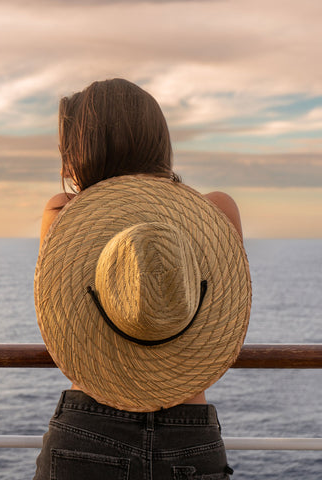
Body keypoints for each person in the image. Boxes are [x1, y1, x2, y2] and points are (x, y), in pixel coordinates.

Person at [33, 79, 251, 480]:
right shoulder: (217, 212)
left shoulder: (62, 214)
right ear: (159, 140)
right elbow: (222, 311)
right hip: (189, 435)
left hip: (87, 429)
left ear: (82, 154)